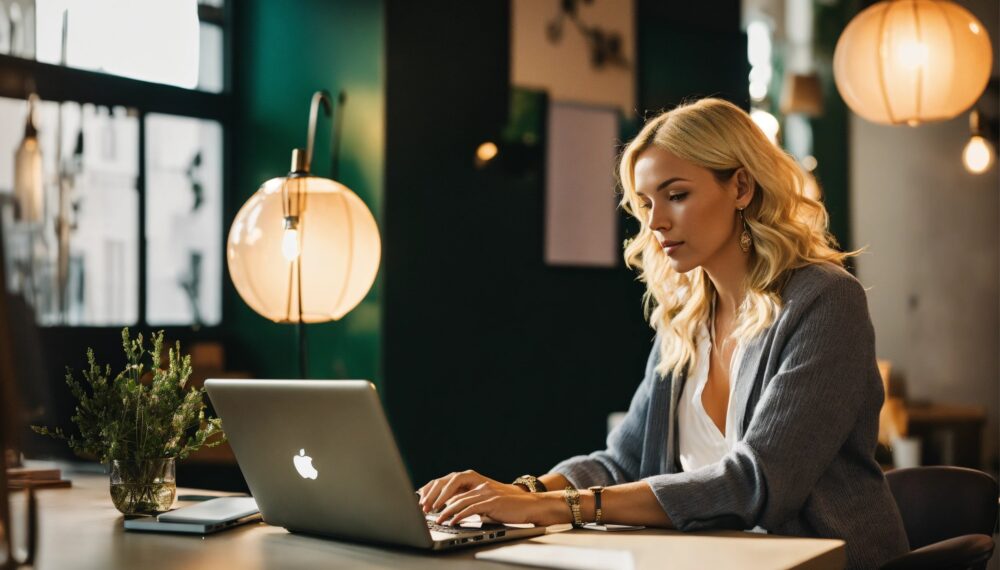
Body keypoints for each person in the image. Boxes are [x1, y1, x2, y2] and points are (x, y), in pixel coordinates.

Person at [417, 98, 909, 569]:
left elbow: (757, 482)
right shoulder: (686, 315)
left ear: (741, 187)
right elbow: (621, 461)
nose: (655, 222)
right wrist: (516, 494)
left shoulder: (824, 299)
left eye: (677, 195)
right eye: (647, 202)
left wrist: (559, 508)